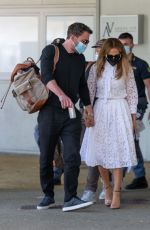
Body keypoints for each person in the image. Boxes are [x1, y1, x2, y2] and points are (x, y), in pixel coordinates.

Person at [37, 22, 94, 212]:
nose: (85, 44)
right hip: (50, 112)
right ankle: (48, 195)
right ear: (73, 37)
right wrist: (61, 95)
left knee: (72, 156)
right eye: (84, 40)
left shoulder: (80, 58)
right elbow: (46, 76)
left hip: (70, 115)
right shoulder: (51, 51)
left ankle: (70, 198)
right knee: (46, 155)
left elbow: (82, 86)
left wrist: (88, 108)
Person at [80, 38, 138, 209]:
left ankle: (117, 192)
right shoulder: (95, 68)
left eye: (117, 55)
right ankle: (106, 187)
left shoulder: (126, 68)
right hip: (100, 110)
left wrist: (133, 119)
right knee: (99, 150)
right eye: (111, 55)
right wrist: (87, 112)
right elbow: (89, 92)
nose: (114, 58)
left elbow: (132, 93)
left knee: (118, 150)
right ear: (104, 54)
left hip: (120, 109)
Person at [118, 32, 150, 189]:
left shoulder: (141, 64)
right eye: (121, 43)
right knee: (130, 138)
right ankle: (139, 176)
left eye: (127, 43)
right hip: (120, 105)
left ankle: (125, 175)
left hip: (138, 105)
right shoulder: (114, 62)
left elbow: (149, 86)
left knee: (129, 136)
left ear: (132, 44)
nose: (125, 46)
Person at [80, 39, 111, 203]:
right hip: (92, 112)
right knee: (93, 151)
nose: (98, 51)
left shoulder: (119, 67)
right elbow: (87, 91)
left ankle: (107, 185)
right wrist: (87, 112)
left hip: (111, 113)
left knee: (110, 150)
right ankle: (92, 188)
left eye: (100, 49)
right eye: (97, 49)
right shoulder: (91, 67)